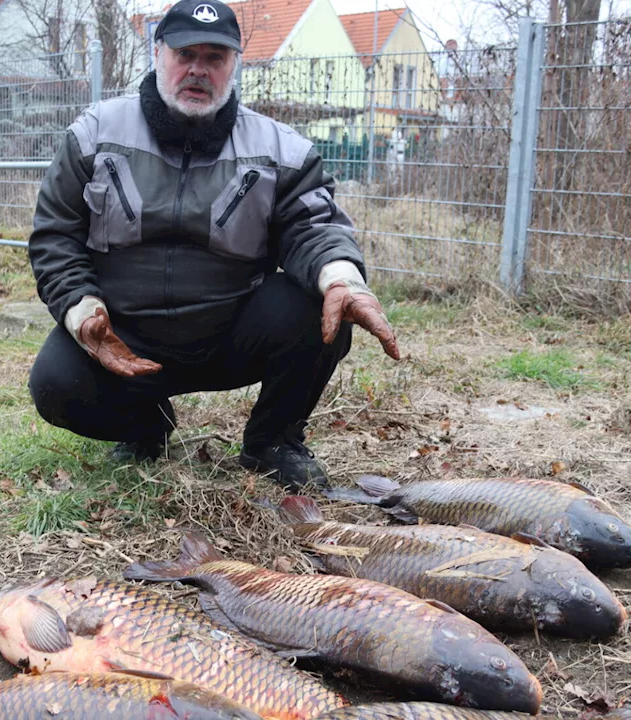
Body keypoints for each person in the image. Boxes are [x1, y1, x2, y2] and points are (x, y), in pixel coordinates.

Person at [25, 0, 400, 489]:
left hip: (230, 332)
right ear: (158, 53)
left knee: (323, 311)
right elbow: (55, 235)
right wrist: (80, 309)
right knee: (54, 383)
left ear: (234, 66)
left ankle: (274, 441)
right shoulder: (95, 134)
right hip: (124, 336)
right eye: (185, 54)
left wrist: (342, 278)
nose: (198, 70)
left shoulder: (281, 149)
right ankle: (146, 427)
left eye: (215, 57)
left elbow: (313, 228)